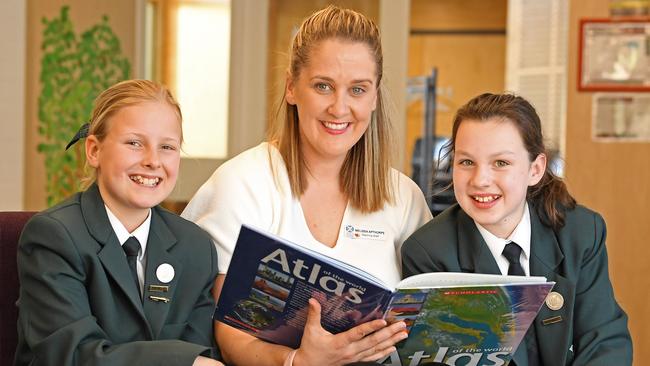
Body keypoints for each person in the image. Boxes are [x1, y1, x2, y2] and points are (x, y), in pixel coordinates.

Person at [182, 5, 432, 366]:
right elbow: (230, 333)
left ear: (375, 97)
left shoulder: (403, 197)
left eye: (357, 89)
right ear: (291, 88)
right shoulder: (243, 184)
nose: (339, 107)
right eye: (323, 86)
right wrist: (297, 361)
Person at [401, 93, 633, 365]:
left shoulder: (581, 232)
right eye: (466, 162)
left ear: (535, 169)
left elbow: (605, 341)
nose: (480, 180)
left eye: (501, 163)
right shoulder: (428, 253)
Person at [15, 80, 224, 366]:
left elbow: (201, 352)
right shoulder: (53, 236)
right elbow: (72, 356)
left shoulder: (195, 246)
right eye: (134, 143)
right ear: (94, 151)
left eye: (167, 146)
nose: (153, 161)